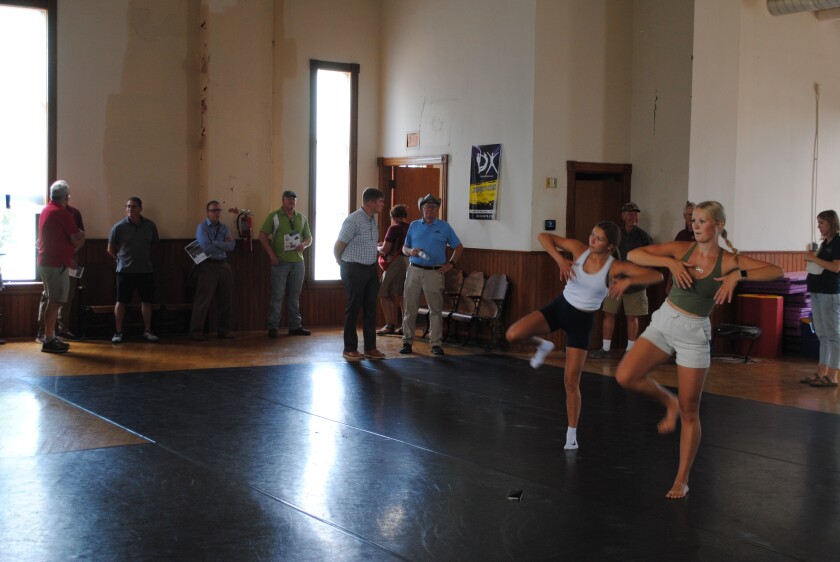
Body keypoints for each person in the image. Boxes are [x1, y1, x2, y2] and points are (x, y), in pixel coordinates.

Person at [615, 201, 784, 499]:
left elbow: (775, 270)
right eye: (694, 220)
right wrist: (669, 263)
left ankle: (682, 478)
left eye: (702, 221)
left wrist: (738, 275)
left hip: (694, 334)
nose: (695, 225)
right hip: (665, 322)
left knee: (690, 411)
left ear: (718, 225)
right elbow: (632, 253)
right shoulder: (683, 250)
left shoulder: (730, 260)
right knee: (626, 375)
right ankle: (668, 403)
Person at [505, 223, 663, 450]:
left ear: (609, 246)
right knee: (513, 334)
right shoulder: (579, 250)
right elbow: (543, 236)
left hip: (582, 322)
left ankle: (571, 434)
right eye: (592, 234)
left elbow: (655, 275)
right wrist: (558, 258)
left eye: (598, 238)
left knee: (571, 382)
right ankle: (543, 345)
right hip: (560, 308)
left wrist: (628, 281)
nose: (592, 240)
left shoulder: (614, 267)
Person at [400, 194, 464, 356]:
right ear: (422, 209)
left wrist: (451, 264)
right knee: (410, 308)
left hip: (434, 272)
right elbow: (404, 248)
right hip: (414, 270)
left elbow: (459, 247)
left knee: (435, 309)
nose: (430, 210)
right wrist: (410, 251)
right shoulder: (414, 226)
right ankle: (407, 341)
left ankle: (436, 343)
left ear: (437, 210)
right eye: (427, 207)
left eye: (434, 207)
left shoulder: (444, 227)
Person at [591, 202, 654, 358]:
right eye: (630, 213)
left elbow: (652, 260)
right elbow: (604, 255)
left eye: (635, 214)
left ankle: (630, 350)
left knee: (633, 316)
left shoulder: (644, 237)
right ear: (623, 215)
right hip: (614, 281)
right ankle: (605, 349)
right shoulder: (614, 234)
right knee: (608, 313)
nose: (634, 216)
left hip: (636, 284)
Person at [334, 187, 386, 361]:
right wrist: (341, 263)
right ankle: (349, 349)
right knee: (353, 308)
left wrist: (375, 266)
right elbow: (338, 246)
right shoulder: (353, 220)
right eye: (380, 202)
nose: (383, 205)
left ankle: (370, 348)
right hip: (353, 268)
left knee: (370, 309)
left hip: (370, 269)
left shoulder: (372, 220)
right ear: (370, 202)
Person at [36, 180, 86, 353]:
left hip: (50, 262)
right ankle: (49, 339)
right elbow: (74, 238)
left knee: (53, 300)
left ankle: (49, 336)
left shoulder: (46, 209)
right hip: (55, 264)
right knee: (55, 301)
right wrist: (80, 236)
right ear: (67, 196)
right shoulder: (62, 213)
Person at [258, 190, 312, 338]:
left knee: (294, 296)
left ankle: (295, 326)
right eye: (288, 199)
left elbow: (309, 238)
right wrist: (271, 254)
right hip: (280, 262)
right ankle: (273, 327)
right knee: (277, 296)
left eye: (294, 199)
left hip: (298, 263)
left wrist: (304, 245)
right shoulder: (274, 217)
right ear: (282, 200)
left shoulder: (301, 218)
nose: (291, 201)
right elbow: (262, 235)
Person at [107, 197, 160, 343]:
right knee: (121, 301)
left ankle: (147, 330)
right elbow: (110, 248)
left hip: (145, 270)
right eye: (128, 206)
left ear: (140, 208)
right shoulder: (118, 227)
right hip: (125, 271)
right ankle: (118, 332)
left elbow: (155, 244)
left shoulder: (150, 225)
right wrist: (119, 259)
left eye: (134, 207)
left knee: (147, 301)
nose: (130, 209)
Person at [801, 210, 840, 388]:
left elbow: (836, 267)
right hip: (817, 290)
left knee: (833, 335)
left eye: (821, 223)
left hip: (830, 292)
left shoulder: (838, 241)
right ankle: (821, 371)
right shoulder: (825, 242)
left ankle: (833, 374)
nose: (819, 227)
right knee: (822, 334)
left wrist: (814, 260)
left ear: (831, 223)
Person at [189, 200, 236, 340]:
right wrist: (222, 244)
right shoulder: (202, 228)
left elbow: (232, 246)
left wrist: (215, 243)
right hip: (207, 266)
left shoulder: (225, 228)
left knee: (225, 300)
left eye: (218, 210)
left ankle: (223, 330)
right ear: (207, 212)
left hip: (223, 265)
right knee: (203, 301)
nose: (216, 213)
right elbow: (205, 247)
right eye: (213, 210)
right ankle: (196, 332)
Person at [376, 204, 410, 336]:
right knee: (402, 295)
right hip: (408, 262)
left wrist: (378, 247)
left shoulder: (394, 228)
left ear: (394, 217)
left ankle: (389, 325)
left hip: (395, 263)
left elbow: (385, 249)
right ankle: (405, 326)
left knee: (384, 293)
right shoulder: (410, 227)